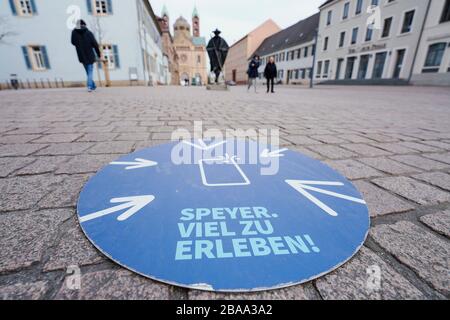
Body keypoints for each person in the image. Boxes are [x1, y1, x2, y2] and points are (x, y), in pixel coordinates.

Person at [71, 19, 101, 92]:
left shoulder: (74, 32)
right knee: (90, 71)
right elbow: (95, 45)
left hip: (81, 55)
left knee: (88, 71)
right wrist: (99, 54)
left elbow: (73, 42)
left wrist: (79, 45)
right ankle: (90, 86)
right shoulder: (88, 33)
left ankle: (92, 85)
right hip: (90, 55)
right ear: (84, 25)